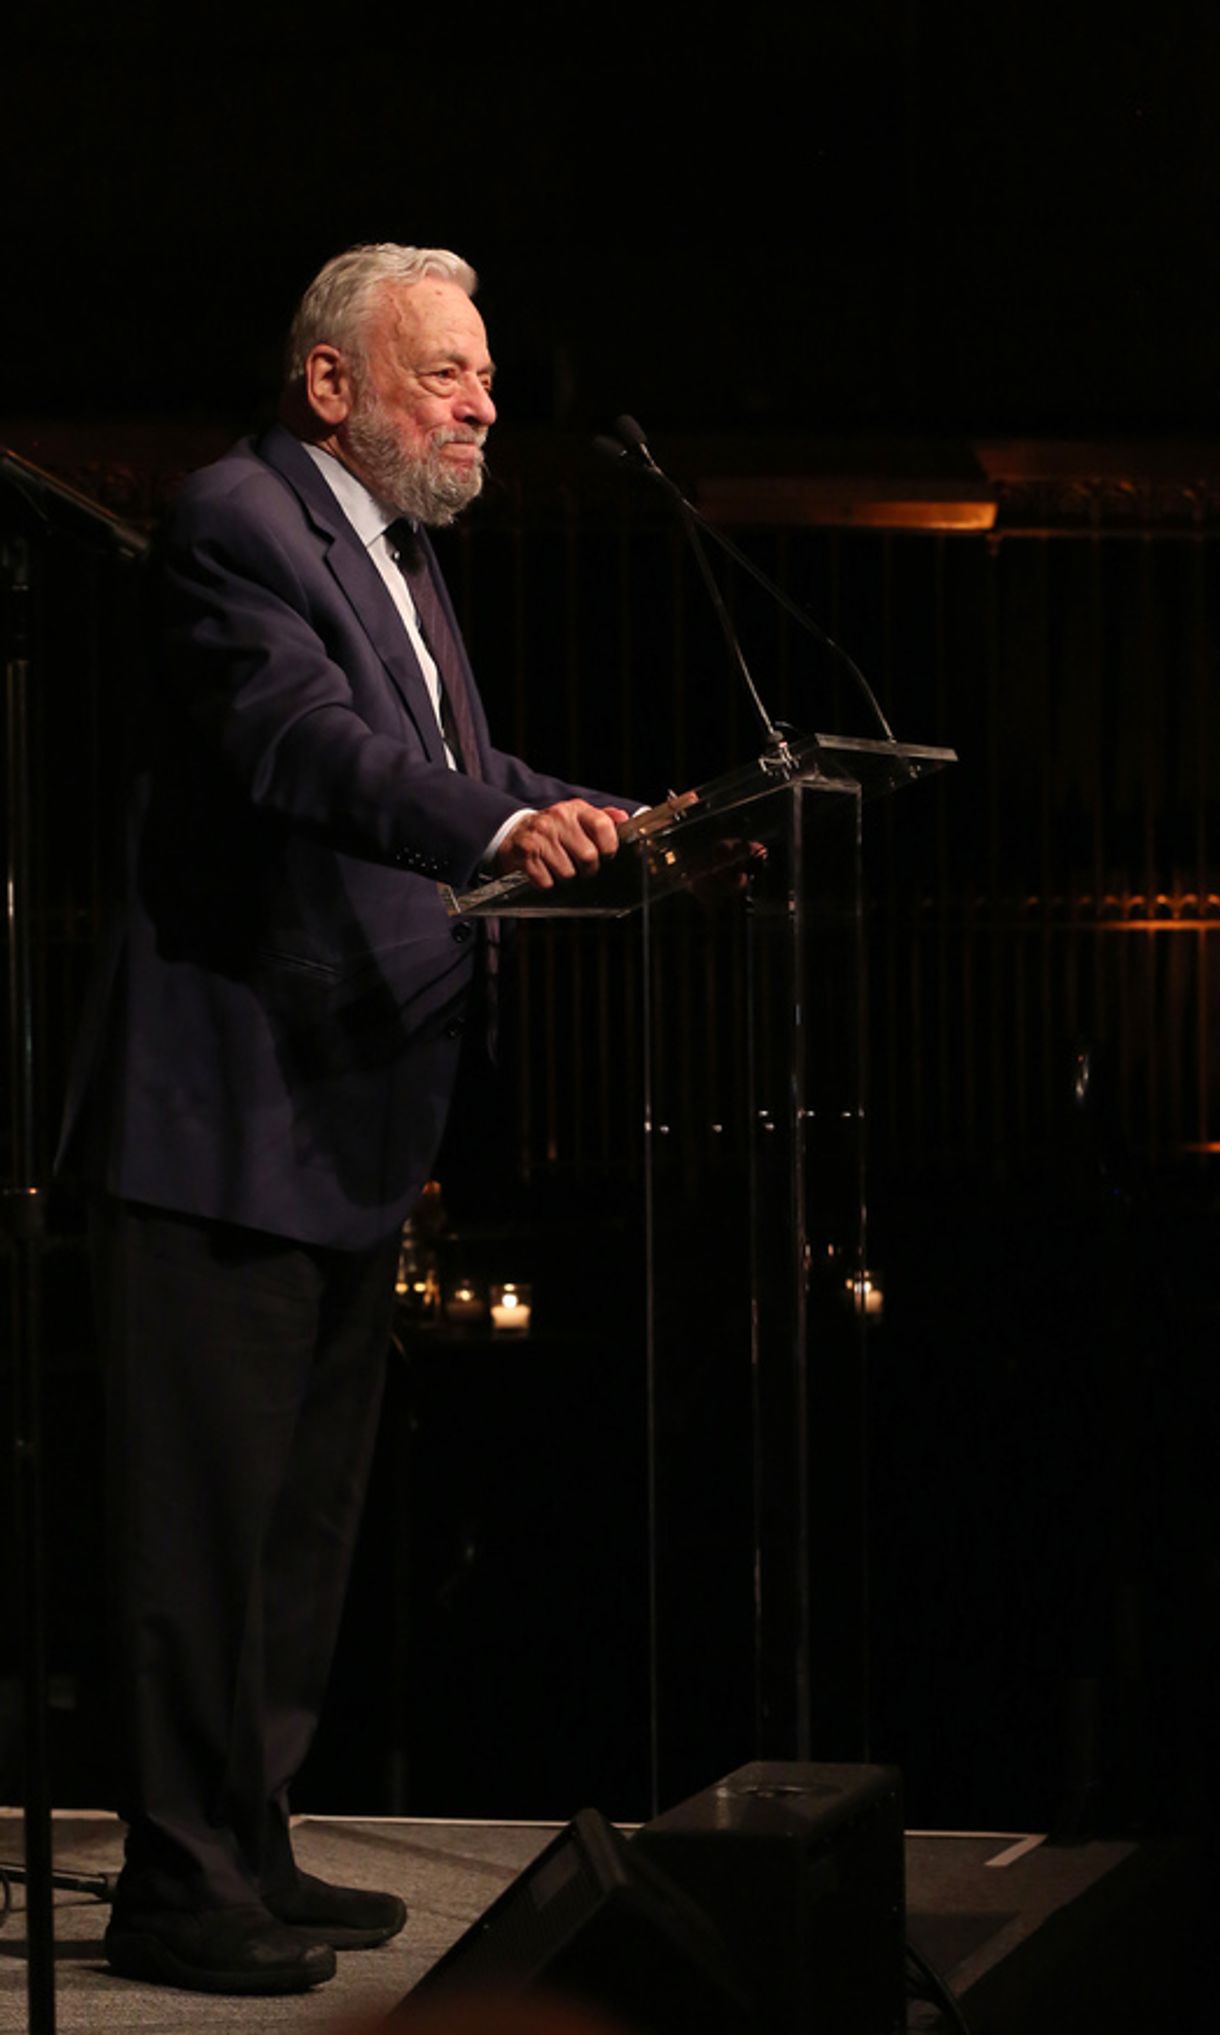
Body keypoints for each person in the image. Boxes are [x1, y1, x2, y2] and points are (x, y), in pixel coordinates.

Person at [63, 243, 638, 1995]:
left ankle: (251, 1840)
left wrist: (622, 815)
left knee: (302, 1527)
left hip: (341, 1124)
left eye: (478, 375)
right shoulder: (242, 519)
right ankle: (173, 1882)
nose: (481, 406)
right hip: (219, 1119)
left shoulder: (395, 556)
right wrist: (492, 836)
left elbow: (455, 768)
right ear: (333, 388)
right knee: (200, 1531)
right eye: (445, 375)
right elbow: (312, 751)